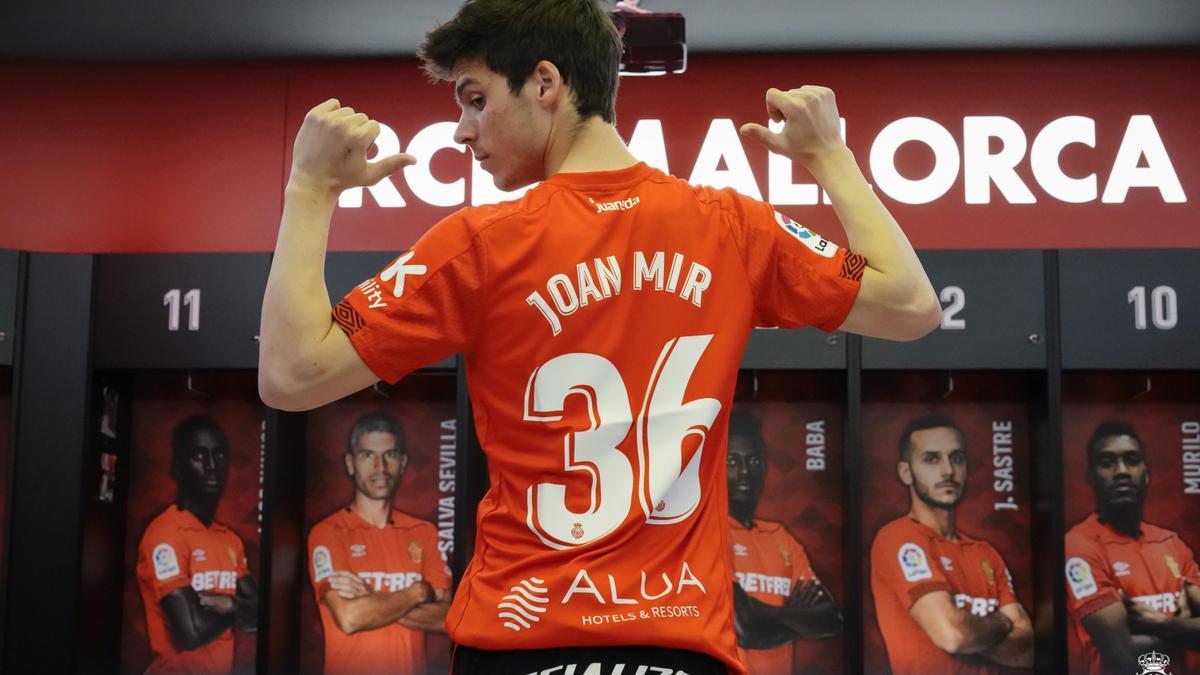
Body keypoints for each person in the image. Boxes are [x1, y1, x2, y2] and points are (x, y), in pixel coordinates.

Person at [258, 0, 939, 670]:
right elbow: (911, 305)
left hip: (519, 645)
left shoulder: (479, 243)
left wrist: (311, 188)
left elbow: (289, 375)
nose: (463, 131)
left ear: (546, 84)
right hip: (681, 651)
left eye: (474, 98)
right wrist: (829, 155)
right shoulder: (730, 225)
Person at [870, 415, 1033, 674]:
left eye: (956, 458)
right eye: (932, 459)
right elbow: (953, 635)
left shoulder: (986, 553)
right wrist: (1001, 624)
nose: (948, 471)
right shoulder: (897, 538)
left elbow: (1028, 650)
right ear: (905, 472)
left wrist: (971, 632)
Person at [308, 412, 452, 674]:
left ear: (403, 462)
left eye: (390, 455)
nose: (380, 467)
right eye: (367, 455)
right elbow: (350, 618)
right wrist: (416, 594)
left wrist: (373, 599)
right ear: (350, 463)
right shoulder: (328, 533)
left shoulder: (424, 532)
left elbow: (447, 620)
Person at [1065, 421, 1200, 675]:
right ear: (1091, 477)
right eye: (1107, 463)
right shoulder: (1079, 545)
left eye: (1131, 460)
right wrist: (1184, 627)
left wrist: (1160, 624)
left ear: (1146, 474)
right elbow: (1122, 655)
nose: (1122, 471)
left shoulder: (1171, 543)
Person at [136, 415, 258, 674]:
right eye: (199, 456)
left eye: (220, 455)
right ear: (178, 468)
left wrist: (229, 606)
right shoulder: (165, 535)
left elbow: (263, 613)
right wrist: (237, 607)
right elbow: (191, 632)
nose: (212, 466)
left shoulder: (229, 540)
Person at [726, 409, 841, 674]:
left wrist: (766, 614)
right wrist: (794, 615)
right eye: (732, 461)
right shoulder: (709, 534)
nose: (745, 472)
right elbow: (746, 629)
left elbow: (830, 619)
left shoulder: (781, 538)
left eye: (754, 461)